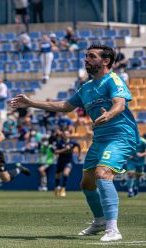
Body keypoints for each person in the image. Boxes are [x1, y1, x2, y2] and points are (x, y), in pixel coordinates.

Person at [11, 44, 139, 242]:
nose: (86, 59)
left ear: (106, 61)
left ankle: (113, 230)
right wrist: (32, 103)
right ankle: (100, 221)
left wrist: (109, 115)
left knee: (102, 173)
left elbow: (120, 104)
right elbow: (65, 106)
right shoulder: (86, 88)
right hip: (100, 139)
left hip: (121, 136)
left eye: (92, 56)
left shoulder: (113, 80)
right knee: (87, 183)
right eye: (86, 56)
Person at [53, 130, 81, 197]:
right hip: (60, 161)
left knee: (66, 173)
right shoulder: (59, 143)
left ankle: (63, 189)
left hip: (69, 161)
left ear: (69, 135)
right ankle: (57, 188)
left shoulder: (72, 143)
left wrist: (79, 156)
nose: (66, 135)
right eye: (64, 134)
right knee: (58, 175)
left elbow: (79, 146)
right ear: (63, 135)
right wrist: (64, 149)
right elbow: (55, 152)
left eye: (67, 134)